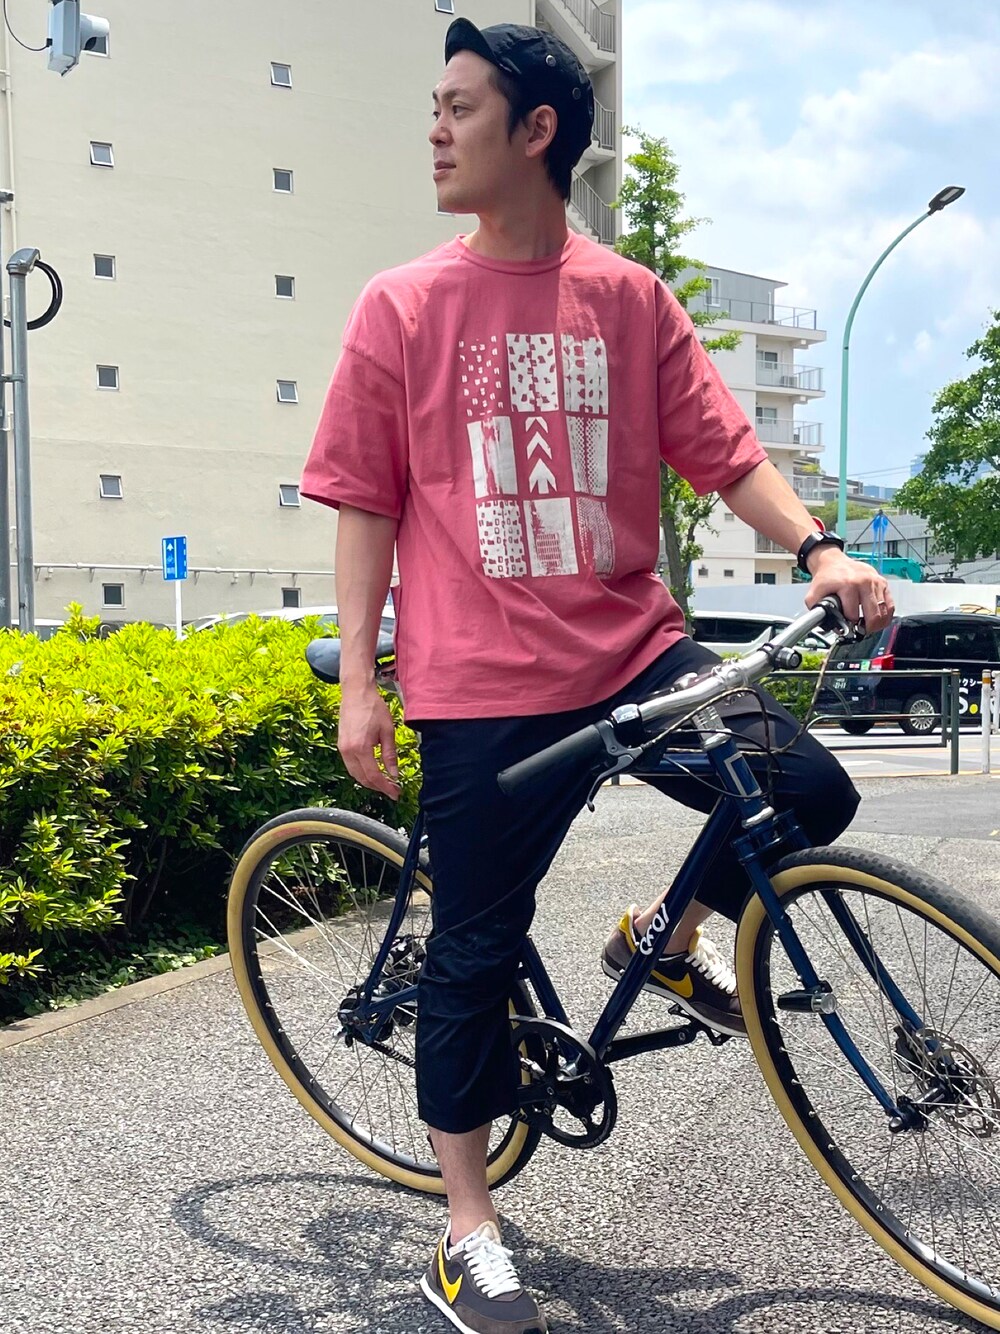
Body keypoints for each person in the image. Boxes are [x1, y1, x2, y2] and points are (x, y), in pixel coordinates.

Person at [301, 19, 894, 1334]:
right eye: (434, 105)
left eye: (460, 108)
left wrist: (819, 546)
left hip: (634, 650)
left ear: (538, 132)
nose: (435, 130)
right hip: (480, 683)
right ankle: (468, 1227)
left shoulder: (627, 299)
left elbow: (726, 451)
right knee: (470, 952)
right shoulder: (402, 306)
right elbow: (363, 497)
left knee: (807, 789)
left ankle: (666, 940)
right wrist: (362, 686)